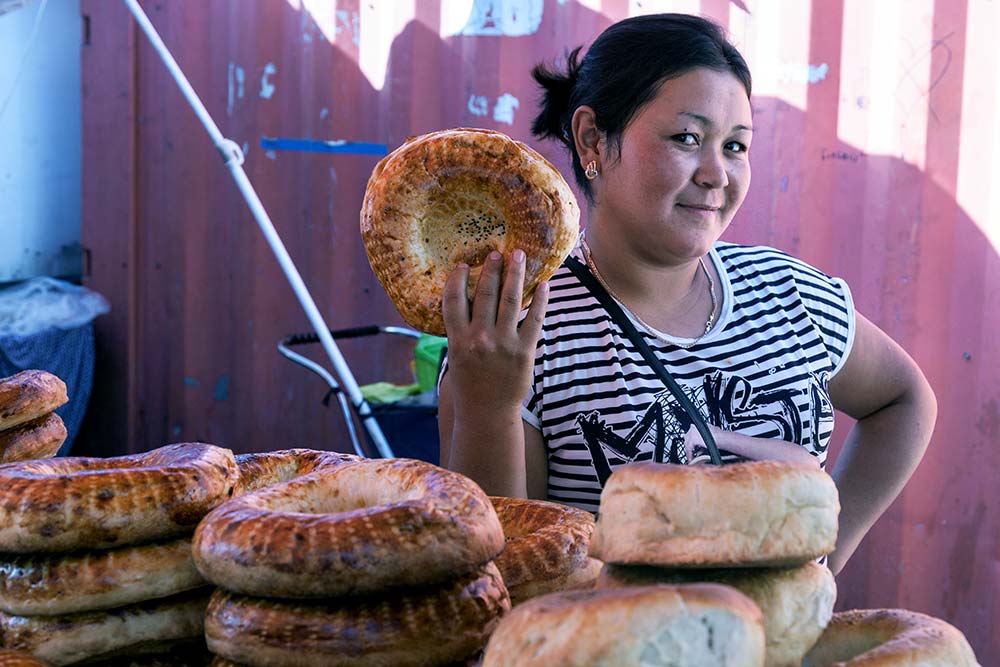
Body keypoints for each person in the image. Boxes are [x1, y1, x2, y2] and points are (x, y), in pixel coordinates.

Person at [437, 13, 936, 575]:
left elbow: (905, 400)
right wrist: (490, 407)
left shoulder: (792, 296)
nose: (716, 173)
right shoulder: (518, 333)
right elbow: (500, 575)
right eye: (687, 139)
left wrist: (826, 557)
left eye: (736, 146)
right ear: (592, 138)